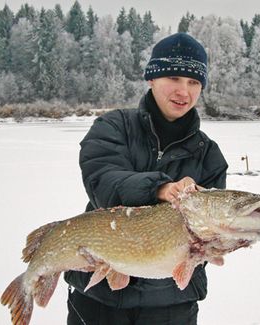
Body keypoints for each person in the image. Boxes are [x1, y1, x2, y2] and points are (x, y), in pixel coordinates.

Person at [64, 32, 228, 325]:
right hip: (99, 300)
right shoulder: (114, 127)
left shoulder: (209, 155)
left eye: (194, 82)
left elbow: (210, 234)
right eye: (174, 79)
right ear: (152, 78)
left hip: (172, 305)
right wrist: (160, 188)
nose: (184, 92)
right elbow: (104, 181)